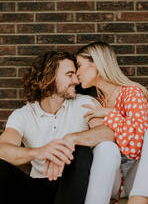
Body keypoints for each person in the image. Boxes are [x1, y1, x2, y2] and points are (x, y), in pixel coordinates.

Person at [0, 50, 114, 204]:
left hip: (72, 186)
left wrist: (70, 140)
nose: (76, 80)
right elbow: (2, 149)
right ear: (49, 78)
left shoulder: (85, 103)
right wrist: (38, 152)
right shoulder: (23, 114)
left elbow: (107, 133)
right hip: (36, 187)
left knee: (82, 151)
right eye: (69, 74)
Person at [76, 41, 148, 204]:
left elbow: (136, 147)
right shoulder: (96, 102)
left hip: (137, 178)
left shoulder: (132, 94)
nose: (77, 73)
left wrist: (110, 114)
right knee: (106, 147)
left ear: (96, 64)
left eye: (80, 65)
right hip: (111, 181)